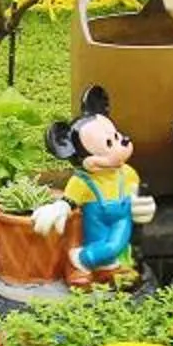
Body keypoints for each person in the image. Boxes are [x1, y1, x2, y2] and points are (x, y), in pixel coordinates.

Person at [34, 86, 153, 288]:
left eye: (117, 137)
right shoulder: (83, 181)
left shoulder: (127, 173)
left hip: (122, 218)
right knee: (103, 243)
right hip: (97, 219)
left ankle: (105, 265)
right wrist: (58, 209)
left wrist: (141, 206)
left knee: (117, 245)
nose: (120, 145)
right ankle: (80, 260)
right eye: (109, 143)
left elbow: (135, 194)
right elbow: (68, 201)